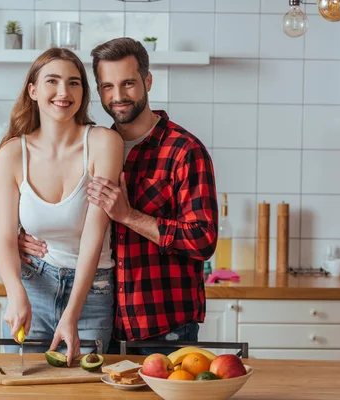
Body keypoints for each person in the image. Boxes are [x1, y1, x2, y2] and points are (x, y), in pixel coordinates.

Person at [19, 38, 218, 356]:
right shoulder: (92, 146)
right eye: (107, 86)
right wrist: (26, 236)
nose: (119, 96)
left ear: (148, 81)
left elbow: (202, 240)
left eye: (129, 83)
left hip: (161, 324)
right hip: (100, 314)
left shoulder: (184, 150)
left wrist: (129, 216)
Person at [0, 47, 124, 364]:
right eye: (52, 81)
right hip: (34, 284)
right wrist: (16, 294)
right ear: (33, 90)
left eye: (74, 83)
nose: (64, 92)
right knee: (23, 385)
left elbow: (94, 236)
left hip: (93, 292)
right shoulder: (12, 154)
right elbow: (6, 237)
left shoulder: (104, 143)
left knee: (83, 390)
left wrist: (72, 313)